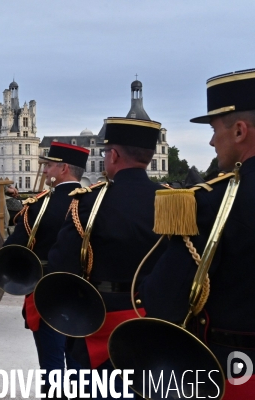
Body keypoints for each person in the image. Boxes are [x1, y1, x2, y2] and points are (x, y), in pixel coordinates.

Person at [140, 69, 255, 398]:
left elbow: (163, 298)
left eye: (215, 129)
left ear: (239, 131)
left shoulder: (211, 203)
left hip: (235, 373)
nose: (210, 141)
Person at [46, 117, 167, 398]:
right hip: (156, 323)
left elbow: (61, 266)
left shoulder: (89, 201)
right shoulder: (173, 200)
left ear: (113, 155)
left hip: (102, 323)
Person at [4, 141, 88, 397]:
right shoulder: (94, 202)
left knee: (51, 367)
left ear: (63, 169)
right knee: (80, 366)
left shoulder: (38, 205)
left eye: (49, 166)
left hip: (46, 292)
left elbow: (12, 250)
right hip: (86, 297)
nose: (44, 171)